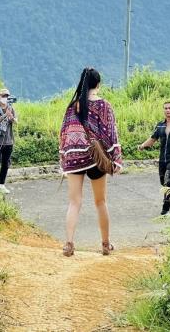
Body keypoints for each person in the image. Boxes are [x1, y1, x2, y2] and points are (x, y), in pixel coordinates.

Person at [59, 67, 122, 258]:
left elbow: (64, 133)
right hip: (96, 158)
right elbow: (111, 134)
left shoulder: (73, 106)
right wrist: (116, 158)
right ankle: (105, 244)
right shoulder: (104, 106)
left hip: (75, 158)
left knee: (74, 202)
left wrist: (64, 156)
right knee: (100, 201)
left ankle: (69, 244)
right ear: (98, 84)